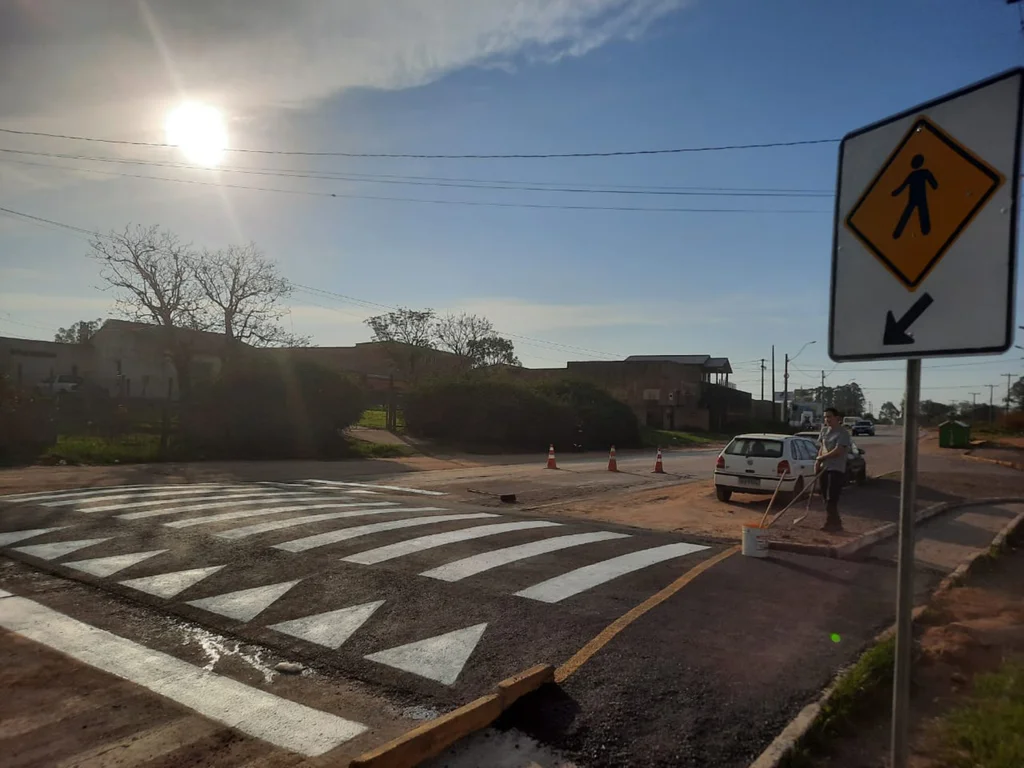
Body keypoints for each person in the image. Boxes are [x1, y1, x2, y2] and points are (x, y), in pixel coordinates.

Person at [816, 407, 851, 532]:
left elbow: (838, 451)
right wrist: (818, 462)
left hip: (836, 468)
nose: (827, 419)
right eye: (825, 417)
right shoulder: (824, 431)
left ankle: (830, 523)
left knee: (832, 498)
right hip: (824, 468)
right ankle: (836, 523)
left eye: (829, 417)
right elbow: (822, 447)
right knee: (825, 497)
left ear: (837, 418)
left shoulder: (843, 433)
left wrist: (822, 457)